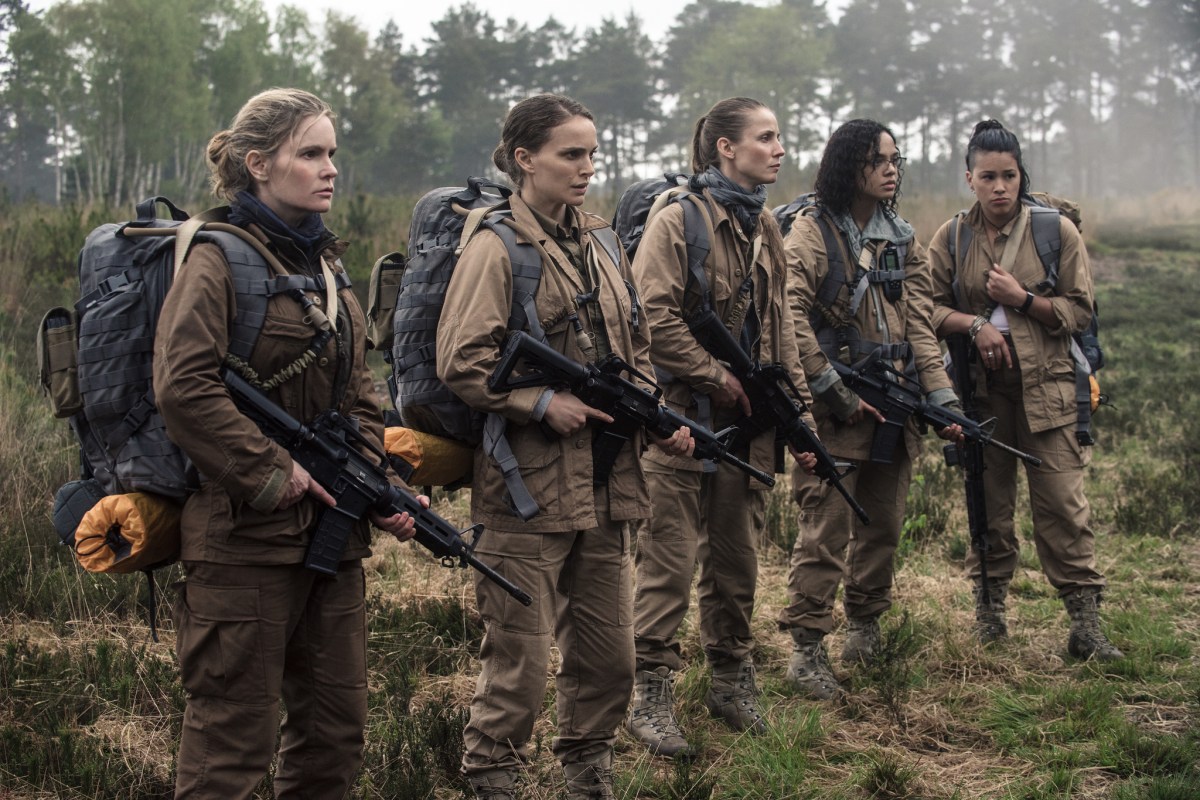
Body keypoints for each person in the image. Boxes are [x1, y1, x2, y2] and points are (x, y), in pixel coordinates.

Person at [154, 87, 423, 798]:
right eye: (310, 154)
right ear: (259, 164)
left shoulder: (327, 270)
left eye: (332, 153)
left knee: (335, 735)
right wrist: (275, 474)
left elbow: (358, 397)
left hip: (331, 546)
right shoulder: (217, 262)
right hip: (243, 543)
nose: (330, 168)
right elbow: (184, 388)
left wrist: (378, 486)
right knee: (230, 748)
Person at [436, 93, 693, 800]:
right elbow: (460, 359)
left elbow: (636, 342)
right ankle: (492, 773)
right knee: (517, 659)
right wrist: (539, 401)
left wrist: (651, 410)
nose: (585, 169)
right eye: (569, 155)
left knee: (610, 656)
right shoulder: (496, 247)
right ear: (526, 159)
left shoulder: (604, 242)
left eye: (591, 154)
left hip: (608, 486)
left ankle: (588, 770)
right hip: (527, 487)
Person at [627, 96, 818, 758]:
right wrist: (718, 378)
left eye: (779, 136)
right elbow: (653, 316)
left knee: (736, 562)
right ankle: (649, 693)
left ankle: (730, 680)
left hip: (749, 429)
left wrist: (797, 416)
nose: (780, 148)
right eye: (766, 137)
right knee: (669, 564)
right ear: (725, 149)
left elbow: (781, 327)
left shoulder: (765, 226)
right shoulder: (676, 219)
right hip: (679, 421)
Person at [775, 119, 962, 701]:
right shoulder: (810, 234)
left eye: (895, 159)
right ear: (849, 166)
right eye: (878, 160)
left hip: (894, 404)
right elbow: (790, 316)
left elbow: (921, 327)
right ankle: (806, 647)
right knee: (825, 529)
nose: (891, 169)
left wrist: (941, 397)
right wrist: (832, 388)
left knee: (883, 523)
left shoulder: (901, 237)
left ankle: (865, 626)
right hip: (836, 411)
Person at [926, 119, 1123, 661]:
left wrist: (1021, 300)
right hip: (981, 393)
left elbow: (1079, 310)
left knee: (1063, 506)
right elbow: (927, 307)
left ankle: (1086, 627)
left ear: (1020, 175)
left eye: (1008, 175)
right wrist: (974, 326)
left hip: (1049, 388)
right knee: (987, 506)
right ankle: (990, 619)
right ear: (969, 177)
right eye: (987, 176)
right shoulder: (953, 236)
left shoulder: (1055, 232)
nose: (999, 187)